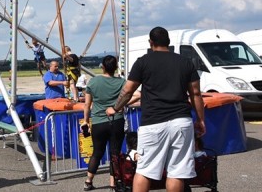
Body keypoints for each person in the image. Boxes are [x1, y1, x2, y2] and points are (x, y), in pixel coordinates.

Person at [106, 26, 206, 192]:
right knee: (176, 172)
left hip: (153, 122)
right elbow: (196, 94)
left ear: (150, 42)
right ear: (169, 42)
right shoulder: (185, 62)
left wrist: (115, 108)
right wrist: (201, 120)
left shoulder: (143, 61)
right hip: (181, 121)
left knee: (145, 170)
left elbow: (127, 90)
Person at [82, 55, 140, 190]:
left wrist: (85, 121)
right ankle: (114, 183)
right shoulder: (121, 82)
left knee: (97, 152)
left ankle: (88, 181)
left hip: (98, 121)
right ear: (116, 67)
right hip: (116, 121)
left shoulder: (93, 82)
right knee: (115, 153)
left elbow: (87, 104)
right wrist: (120, 106)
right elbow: (135, 94)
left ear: (102, 67)